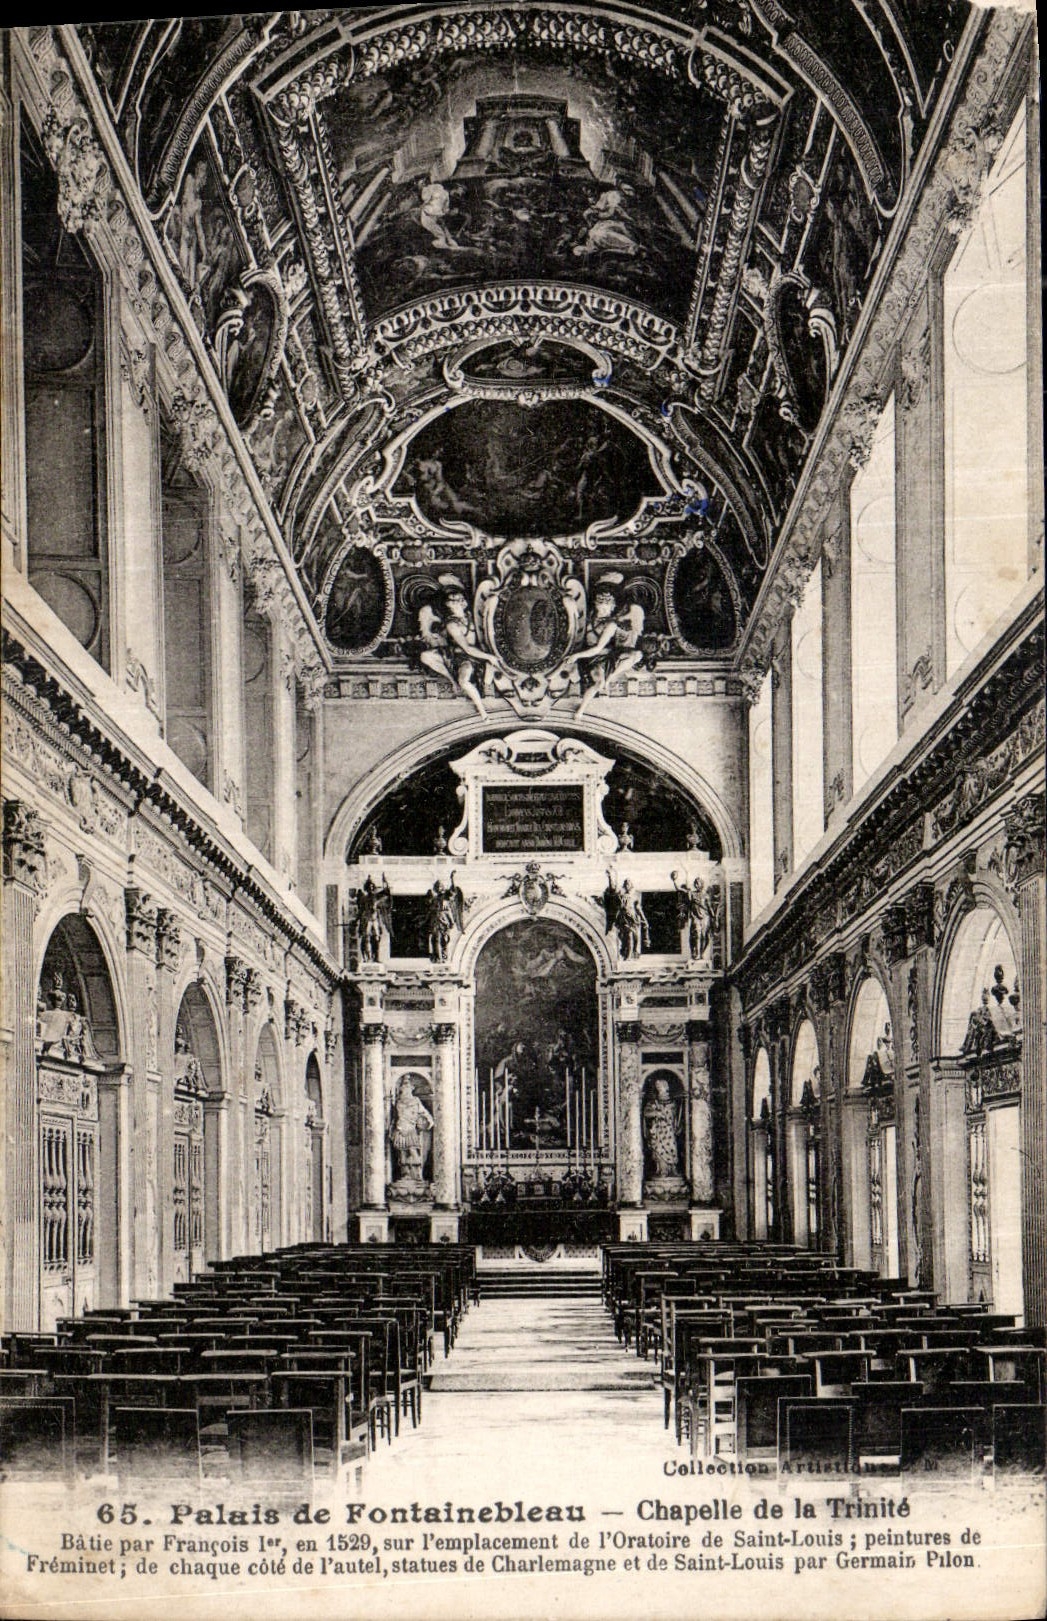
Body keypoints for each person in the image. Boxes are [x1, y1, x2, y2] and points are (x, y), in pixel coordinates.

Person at [419, 580, 501, 716]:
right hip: (462, 657)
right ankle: (481, 709)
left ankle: (485, 675)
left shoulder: (471, 616)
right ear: (448, 604)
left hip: (478, 654)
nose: (460, 601)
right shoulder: (452, 624)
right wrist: (488, 657)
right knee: (463, 681)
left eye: (461, 598)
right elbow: (467, 648)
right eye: (455, 599)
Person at [566, 576, 645, 717]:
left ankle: (581, 709)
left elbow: (597, 648)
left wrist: (576, 655)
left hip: (600, 657)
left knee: (600, 681)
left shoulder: (611, 625)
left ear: (613, 607)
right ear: (595, 604)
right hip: (588, 657)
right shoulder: (588, 617)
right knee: (597, 679)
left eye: (606, 605)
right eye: (600, 603)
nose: (603, 608)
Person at [389, 1075, 434, 1182]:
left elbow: (423, 1112)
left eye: (407, 1087)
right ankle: (405, 1174)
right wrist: (391, 1129)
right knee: (402, 1154)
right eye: (403, 1087)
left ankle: (418, 1174)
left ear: (411, 1089)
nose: (404, 1089)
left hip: (410, 1129)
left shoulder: (415, 1101)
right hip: (400, 1129)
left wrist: (429, 1120)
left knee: (413, 1151)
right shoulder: (398, 1102)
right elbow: (394, 1117)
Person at [603, 871, 649, 960]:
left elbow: (638, 909)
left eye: (629, 884)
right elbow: (613, 888)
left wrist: (644, 920)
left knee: (632, 937)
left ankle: (630, 954)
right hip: (623, 918)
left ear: (631, 885)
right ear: (624, 885)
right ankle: (627, 955)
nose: (627, 885)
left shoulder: (634, 896)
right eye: (626, 884)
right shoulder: (621, 895)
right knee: (628, 936)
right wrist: (610, 877)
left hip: (632, 919)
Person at [644, 1076, 681, 1179]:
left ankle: (672, 1169)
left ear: (666, 1087)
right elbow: (647, 1113)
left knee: (671, 1148)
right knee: (658, 1149)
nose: (659, 1088)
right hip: (658, 1130)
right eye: (657, 1086)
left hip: (668, 1130)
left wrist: (663, 1113)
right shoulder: (653, 1102)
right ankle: (662, 1170)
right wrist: (656, 1113)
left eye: (660, 1086)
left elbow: (673, 1115)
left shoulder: (672, 1103)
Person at [357, 874, 392, 964]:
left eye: (372, 887)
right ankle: (367, 958)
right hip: (366, 919)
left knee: (376, 938)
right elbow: (361, 910)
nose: (371, 888)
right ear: (367, 888)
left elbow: (386, 892)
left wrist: (385, 882)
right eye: (369, 887)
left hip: (375, 919)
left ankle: (376, 957)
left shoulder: (376, 896)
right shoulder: (364, 898)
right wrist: (356, 920)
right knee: (366, 938)